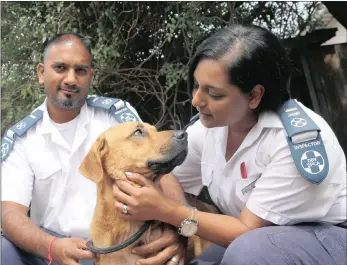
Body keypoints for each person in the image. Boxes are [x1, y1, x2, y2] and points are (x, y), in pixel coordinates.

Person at [112, 24, 347, 265]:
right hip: (259, 240)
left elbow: (247, 230)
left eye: (214, 94)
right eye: (196, 85)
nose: (196, 101)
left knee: (247, 253)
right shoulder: (211, 128)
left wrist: (170, 212)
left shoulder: (292, 142)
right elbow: (167, 175)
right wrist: (180, 225)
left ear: (255, 95)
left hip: (328, 238)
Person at [1, 33, 187, 265]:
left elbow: (159, 168)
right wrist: (52, 247)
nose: (70, 79)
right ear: (41, 73)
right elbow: (11, 214)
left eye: (80, 70)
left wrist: (181, 230)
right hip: (48, 250)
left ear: (91, 76)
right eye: (60, 68)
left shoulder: (115, 118)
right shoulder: (22, 138)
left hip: (114, 247)